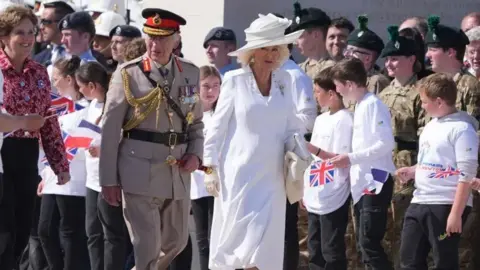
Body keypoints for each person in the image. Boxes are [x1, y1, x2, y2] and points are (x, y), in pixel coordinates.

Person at [99, 7, 204, 269]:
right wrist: (108, 180)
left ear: (176, 40)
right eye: (151, 37)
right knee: (147, 246)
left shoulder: (191, 72)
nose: (154, 44)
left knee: (177, 242)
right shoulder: (128, 73)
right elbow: (110, 130)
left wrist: (196, 153)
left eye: (162, 37)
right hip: (138, 169)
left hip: (177, 171)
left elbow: (195, 122)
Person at [202, 13, 304, 270]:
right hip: (239, 176)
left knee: (264, 249)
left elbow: (292, 126)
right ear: (252, 52)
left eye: (275, 48)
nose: (271, 54)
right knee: (238, 247)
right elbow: (216, 128)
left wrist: (301, 160)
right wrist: (209, 168)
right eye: (264, 48)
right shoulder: (235, 81)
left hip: (273, 178)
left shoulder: (285, 81)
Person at [0, 5, 70, 269]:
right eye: (20, 32)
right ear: (4, 36)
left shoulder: (40, 72)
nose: (28, 38)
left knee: (21, 228)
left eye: (31, 32)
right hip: (2, 153)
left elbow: (48, 122)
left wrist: (59, 164)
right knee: (3, 228)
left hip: (27, 155)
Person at [396, 73, 478, 269]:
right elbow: (432, 161)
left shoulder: (462, 129)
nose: (422, 106)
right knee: (409, 259)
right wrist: (414, 170)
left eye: (424, 101)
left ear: (439, 101)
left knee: (443, 260)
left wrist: (455, 214)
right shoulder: (431, 126)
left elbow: (466, 174)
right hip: (419, 202)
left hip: (445, 205)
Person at [329, 58, 395, 270]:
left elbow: (385, 143)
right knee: (362, 243)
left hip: (376, 177)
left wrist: (350, 158)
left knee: (369, 242)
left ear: (349, 83)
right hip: (364, 181)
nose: (337, 91)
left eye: (338, 85)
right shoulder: (361, 106)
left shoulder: (372, 105)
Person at [377, 25, 426, 268]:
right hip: (384, 166)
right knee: (385, 229)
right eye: (387, 59)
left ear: (411, 59)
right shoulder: (383, 93)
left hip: (410, 165)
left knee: (407, 230)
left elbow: (426, 135)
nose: (389, 64)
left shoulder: (422, 91)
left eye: (395, 59)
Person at [37, 55, 90, 270]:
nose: (53, 84)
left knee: (70, 232)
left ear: (69, 80)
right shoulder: (56, 107)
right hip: (53, 175)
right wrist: (45, 174)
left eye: (56, 79)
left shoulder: (87, 106)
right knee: (45, 230)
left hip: (75, 177)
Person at [303, 67, 353, 270]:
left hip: (335, 191)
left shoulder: (345, 119)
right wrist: (306, 190)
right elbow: (312, 161)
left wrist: (314, 149)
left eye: (317, 91)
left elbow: (340, 159)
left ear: (331, 93)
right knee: (314, 248)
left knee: (331, 249)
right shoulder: (321, 119)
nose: (315, 96)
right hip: (316, 190)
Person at [290, 2, 334, 79]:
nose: (295, 43)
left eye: (299, 36)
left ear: (316, 35)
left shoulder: (334, 70)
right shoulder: (297, 68)